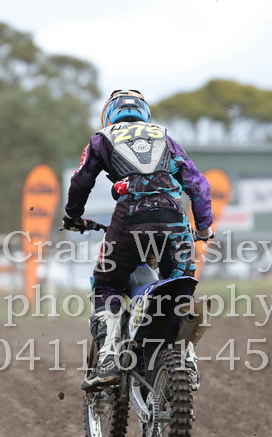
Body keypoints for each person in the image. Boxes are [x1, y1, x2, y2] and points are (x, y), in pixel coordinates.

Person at [62, 89, 213, 391]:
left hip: (130, 218)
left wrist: (72, 216)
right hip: (174, 218)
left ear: (109, 114)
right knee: (180, 286)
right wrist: (204, 228)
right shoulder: (165, 137)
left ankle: (108, 359)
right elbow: (197, 183)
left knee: (107, 284)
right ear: (145, 114)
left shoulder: (102, 138)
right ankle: (188, 358)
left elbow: (81, 180)